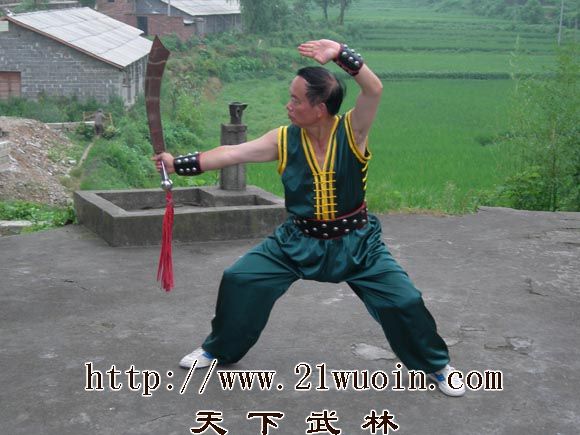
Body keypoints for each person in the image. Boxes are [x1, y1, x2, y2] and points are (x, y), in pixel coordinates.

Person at [154, 39, 465, 397]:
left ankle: (436, 366)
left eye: (296, 100)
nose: (288, 106)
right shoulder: (283, 139)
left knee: (404, 301)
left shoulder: (353, 131)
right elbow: (231, 153)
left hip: (358, 243)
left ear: (319, 108)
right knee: (241, 279)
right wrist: (178, 164)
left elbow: (374, 89)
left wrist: (341, 54)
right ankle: (217, 350)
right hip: (296, 241)